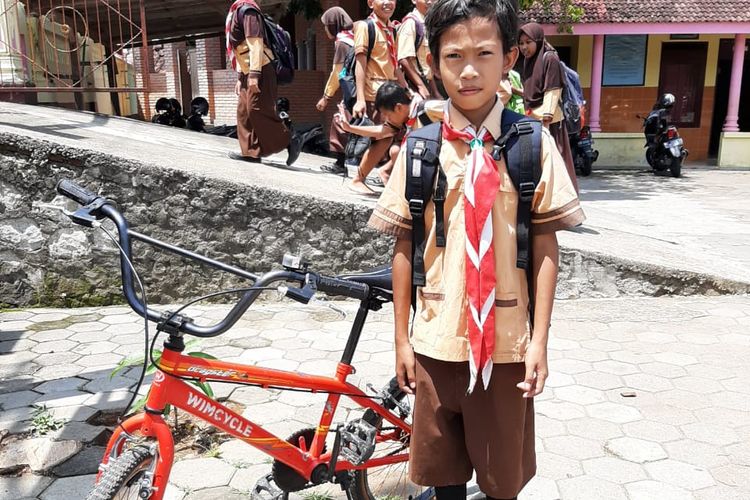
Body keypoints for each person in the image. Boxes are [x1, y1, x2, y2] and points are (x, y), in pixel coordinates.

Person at [367, 0, 585, 498]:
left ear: (508, 57)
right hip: (437, 341)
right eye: (453, 57)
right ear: (433, 62)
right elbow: (405, 246)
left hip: (507, 344)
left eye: (484, 54)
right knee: (442, 477)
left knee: (500, 480)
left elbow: (547, 246)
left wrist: (539, 342)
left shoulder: (531, 144)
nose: (468, 71)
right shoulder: (421, 149)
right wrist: (401, 339)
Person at [226, 0, 301, 165]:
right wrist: (241, 78)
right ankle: (251, 152)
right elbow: (241, 49)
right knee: (244, 112)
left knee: (256, 109)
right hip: (248, 70)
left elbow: (256, 45)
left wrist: (254, 74)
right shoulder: (238, 10)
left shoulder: (248, 11)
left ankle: (289, 138)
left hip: (261, 69)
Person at [349, 0, 411, 193]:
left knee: (394, 138)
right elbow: (360, 64)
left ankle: (383, 173)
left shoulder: (392, 30)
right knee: (383, 138)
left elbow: (395, 65)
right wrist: (360, 98)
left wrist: (406, 88)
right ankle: (358, 179)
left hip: (391, 92)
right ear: (370, 3)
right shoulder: (365, 27)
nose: (388, 3)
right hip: (374, 93)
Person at [333, 83, 442, 187]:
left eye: (387, 115)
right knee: (396, 151)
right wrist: (349, 128)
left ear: (398, 108)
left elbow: (454, 111)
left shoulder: (428, 109)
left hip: (444, 157)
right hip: (428, 158)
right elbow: (381, 131)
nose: (386, 119)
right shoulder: (404, 117)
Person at [518, 23, 578, 192]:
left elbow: (553, 90)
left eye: (528, 42)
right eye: (521, 43)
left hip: (549, 124)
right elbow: (532, 91)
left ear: (537, 40)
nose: (524, 47)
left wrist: (545, 121)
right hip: (533, 120)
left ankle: (562, 201)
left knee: (555, 162)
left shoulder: (549, 58)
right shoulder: (529, 61)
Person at [318, 7, 355, 175]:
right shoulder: (354, 37)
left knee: (340, 121)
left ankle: (340, 165)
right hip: (366, 88)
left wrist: (326, 97)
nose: (325, 29)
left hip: (355, 91)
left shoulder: (342, 43)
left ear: (333, 25)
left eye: (326, 25)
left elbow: (337, 73)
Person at [398, 0, 438, 100]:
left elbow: (425, 64)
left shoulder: (428, 23)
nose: (430, 2)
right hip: (414, 87)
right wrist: (421, 86)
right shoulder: (411, 23)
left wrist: (435, 92)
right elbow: (403, 59)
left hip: (427, 84)